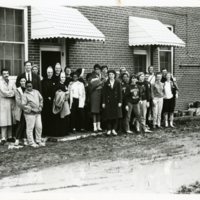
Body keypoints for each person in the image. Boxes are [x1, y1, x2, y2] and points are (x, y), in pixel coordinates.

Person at [21, 81, 45, 147]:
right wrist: (31, 109)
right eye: (27, 86)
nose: (29, 88)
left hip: (38, 113)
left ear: (32, 86)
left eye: (30, 86)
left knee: (39, 127)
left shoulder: (36, 92)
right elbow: (23, 105)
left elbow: (41, 99)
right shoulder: (25, 95)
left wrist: (40, 106)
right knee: (30, 128)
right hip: (30, 114)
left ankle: (38, 140)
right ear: (25, 86)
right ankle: (31, 142)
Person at [102, 70, 122, 136]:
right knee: (108, 116)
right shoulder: (106, 82)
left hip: (116, 101)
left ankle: (114, 129)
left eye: (112, 74)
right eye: (109, 74)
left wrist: (120, 101)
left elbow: (120, 93)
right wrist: (103, 102)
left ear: (114, 75)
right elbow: (104, 93)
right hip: (108, 101)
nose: (111, 76)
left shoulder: (118, 82)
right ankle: (109, 129)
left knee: (115, 116)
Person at [0, 69, 15, 145]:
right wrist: (10, 93)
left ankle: (10, 136)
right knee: (4, 121)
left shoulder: (12, 82)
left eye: (7, 73)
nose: (6, 75)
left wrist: (11, 93)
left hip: (11, 103)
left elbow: (15, 91)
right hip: (3, 103)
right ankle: (3, 137)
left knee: (10, 120)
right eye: (4, 73)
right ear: (2, 75)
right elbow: (3, 93)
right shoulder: (0, 83)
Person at [52, 72, 70, 136]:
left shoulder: (65, 85)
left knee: (65, 117)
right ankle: (60, 132)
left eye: (64, 77)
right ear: (60, 78)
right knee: (60, 118)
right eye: (62, 77)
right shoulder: (58, 85)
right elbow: (57, 94)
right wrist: (65, 93)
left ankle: (64, 131)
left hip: (65, 103)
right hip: (60, 104)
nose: (63, 78)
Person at [41, 66, 56, 136]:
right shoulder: (43, 81)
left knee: (52, 117)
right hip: (46, 102)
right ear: (46, 73)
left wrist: (52, 97)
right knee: (46, 117)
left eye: (51, 72)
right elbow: (42, 91)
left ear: (53, 73)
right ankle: (45, 132)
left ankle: (51, 132)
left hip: (53, 102)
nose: (50, 73)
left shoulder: (55, 81)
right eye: (48, 72)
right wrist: (47, 97)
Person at [89, 64, 104, 132]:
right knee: (94, 111)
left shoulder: (101, 76)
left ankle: (99, 126)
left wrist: (101, 83)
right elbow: (91, 85)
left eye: (98, 69)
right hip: (94, 94)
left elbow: (104, 84)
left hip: (100, 94)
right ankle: (94, 127)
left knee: (99, 111)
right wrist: (99, 82)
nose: (97, 70)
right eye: (96, 69)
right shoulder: (92, 76)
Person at [14, 77, 28, 146]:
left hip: (27, 110)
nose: (23, 82)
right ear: (19, 82)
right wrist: (25, 107)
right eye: (21, 81)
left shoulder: (28, 89)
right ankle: (17, 139)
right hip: (20, 110)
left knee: (26, 124)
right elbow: (18, 101)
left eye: (24, 81)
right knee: (20, 124)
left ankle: (25, 138)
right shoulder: (17, 90)